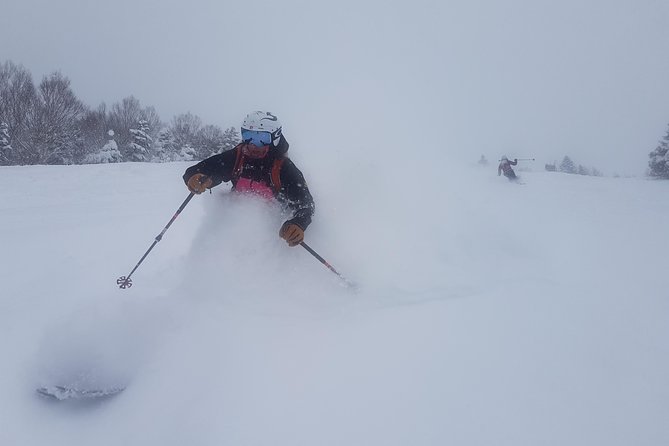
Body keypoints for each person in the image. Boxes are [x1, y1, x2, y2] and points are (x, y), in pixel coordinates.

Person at [182, 111, 315, 247]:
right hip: (234, 223)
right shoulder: (238, 156)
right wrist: (194, 177)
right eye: (248, 136)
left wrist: (298, 223)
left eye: (262, 138)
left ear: (274, 138)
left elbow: (305, 203)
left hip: (272, 230)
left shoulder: (283, 167)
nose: (253, 144)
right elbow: (203, 169)